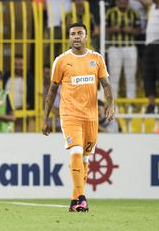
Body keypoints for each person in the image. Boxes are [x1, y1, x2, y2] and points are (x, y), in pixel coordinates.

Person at [42, 22, 114, 213]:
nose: (76, 36)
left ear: (86, 36)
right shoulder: (61, 60)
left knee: (84, 159)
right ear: (69, 37)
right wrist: (44, 117)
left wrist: (110, 104)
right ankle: (82, 198)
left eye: (79, 33)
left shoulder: (96, 59)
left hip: (91, 116)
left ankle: (75, 201)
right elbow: (51, 91)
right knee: (75, 152)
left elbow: (106, 85)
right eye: (72, 33)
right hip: (70, 115)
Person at [106, 0, 139, 101]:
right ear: (116, 1)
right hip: (114, 48)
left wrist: (131, 31)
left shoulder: (134, 13)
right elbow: (105, 29)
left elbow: (139, 31)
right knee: (114, 78)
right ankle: (114, 107)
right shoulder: (110, 13)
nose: (123, 2)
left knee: (131, 78)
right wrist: (113, 30)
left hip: (130, 48)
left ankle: (131, 105)